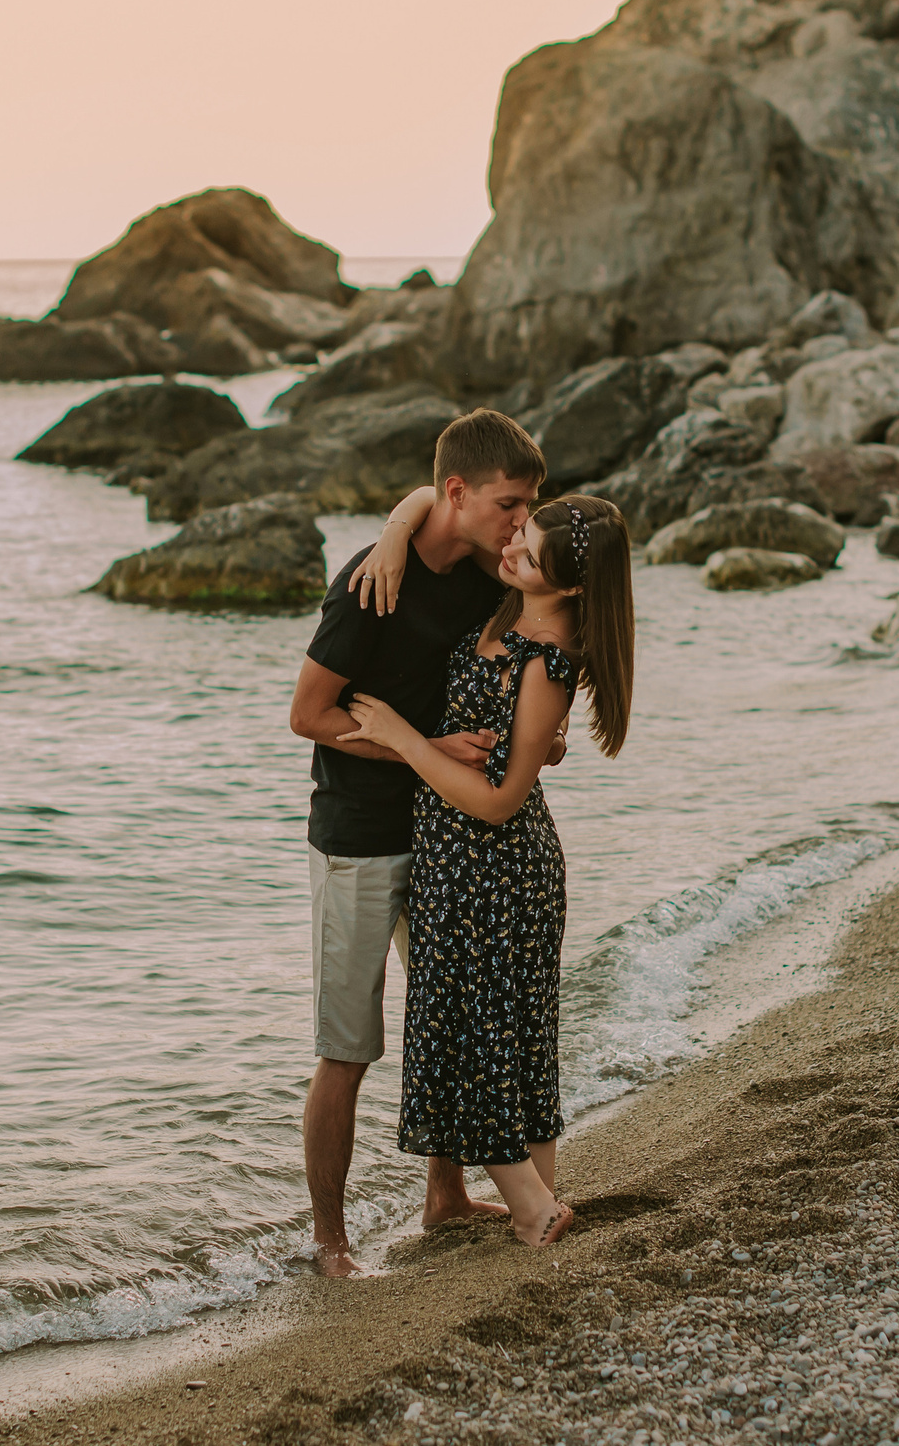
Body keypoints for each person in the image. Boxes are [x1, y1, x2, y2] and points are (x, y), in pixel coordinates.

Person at [285, 408, 545, 1277]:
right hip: (359, 837)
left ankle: (444, 1195)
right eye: (510, 503)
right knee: (348, 1047)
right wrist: (423, 746)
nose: (520, 521)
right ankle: (329, 1240)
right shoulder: (370, 583)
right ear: (460, 493)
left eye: (528, 505)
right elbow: (308, 715)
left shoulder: (481, 570)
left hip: (449, 830)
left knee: (451, 1017)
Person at [337, 493, 635, 1248]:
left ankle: (535, 1210)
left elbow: (501, 801)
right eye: (520, 535)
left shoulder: (550, 659)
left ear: (568, 585)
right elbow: (436, 488)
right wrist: (397, 534)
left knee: (479, 1035)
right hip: (458, 859)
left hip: (495, 865)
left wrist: (406, 738)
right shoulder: (517, 609)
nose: (510, 551)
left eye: (527, 554)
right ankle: (528, 1197)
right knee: (508, 1029)